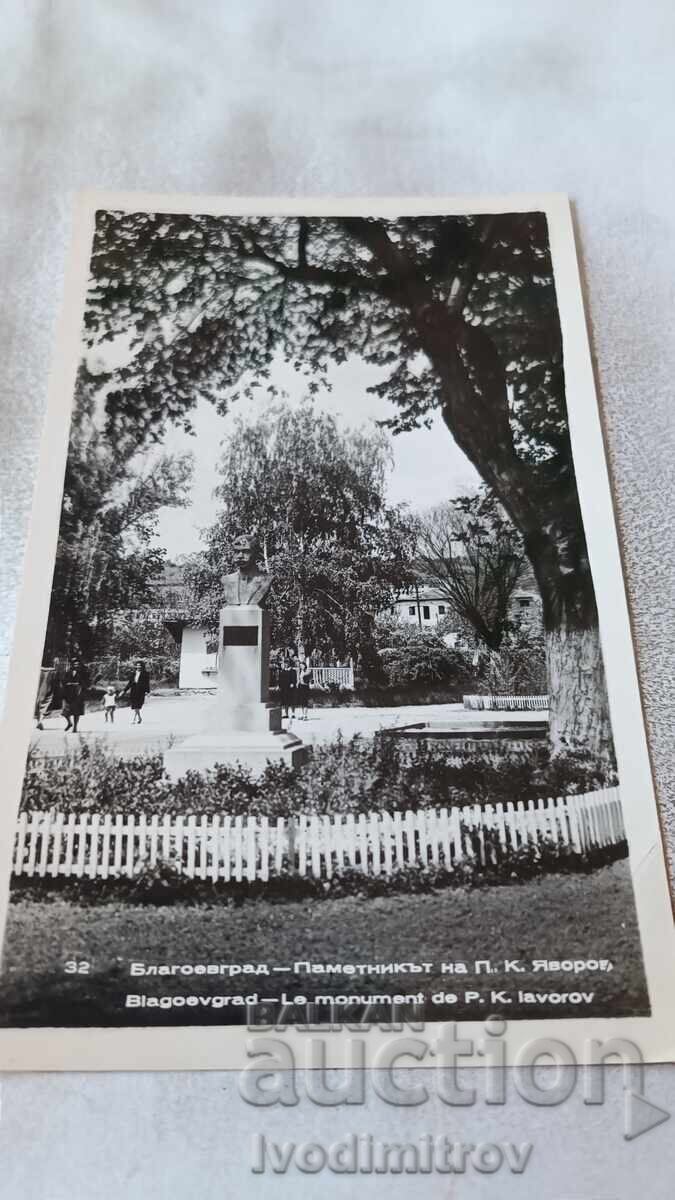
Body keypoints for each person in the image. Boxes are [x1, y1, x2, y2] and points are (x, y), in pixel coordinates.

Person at [120, 660, 150, 724]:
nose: (138, 667)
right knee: (135, 705)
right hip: (134, 690)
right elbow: (129, 683)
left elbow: (147, 684)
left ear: (142, 666)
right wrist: (124, 691)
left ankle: (135, 718)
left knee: (138, 705)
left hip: (141, 691)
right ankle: (138, 718)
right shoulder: (133, 673)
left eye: (140, 665)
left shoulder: (146, 674)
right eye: (137, 665)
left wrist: (148, 692)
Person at [61, 660, 86, 733]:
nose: (76, 666)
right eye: (75, 664)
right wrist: (68, 684)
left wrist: (78, 685)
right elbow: (63, 681)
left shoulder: (83, 673)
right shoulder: (67, 673)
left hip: (78, 695)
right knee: (65, 712)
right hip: (68, 695)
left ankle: (75, 727)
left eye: (78, 664)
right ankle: (69, 723)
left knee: (77, 712)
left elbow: (85, 684)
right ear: (72, 665)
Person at [278, 651, 296, 719]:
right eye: (285, 663)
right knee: (285, 701)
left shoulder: (292, 671)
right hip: (284, 688)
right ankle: (286, 714)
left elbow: (294, 678)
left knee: (291, 701)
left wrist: (293, 683)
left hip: (291, 688)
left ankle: (293, 713)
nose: (286, 664)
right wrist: (279, 686)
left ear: (289, 663)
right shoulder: (282, 671)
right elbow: (280, 680)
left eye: (287, 663)